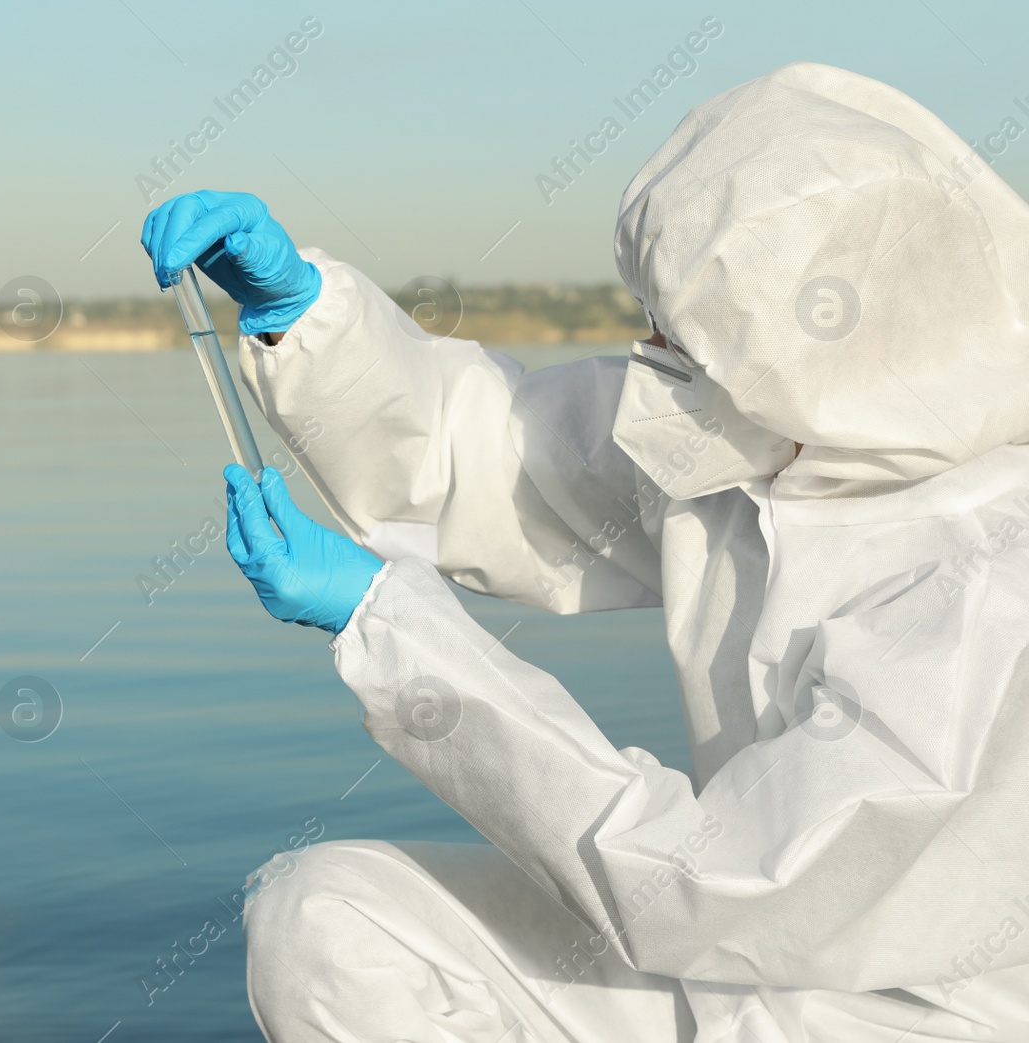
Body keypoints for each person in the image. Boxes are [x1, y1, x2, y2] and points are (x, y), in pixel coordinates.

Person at [139, 63, 1029, 1042]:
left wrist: (388, 626)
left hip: (907, 1014)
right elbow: (496, 456)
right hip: (711, 971)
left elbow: (711, 882)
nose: (649, 350)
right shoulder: (760, 438)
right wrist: (304, 319)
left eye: (683, 333)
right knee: (330, 919)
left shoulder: (989, 584)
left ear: (825, 343)